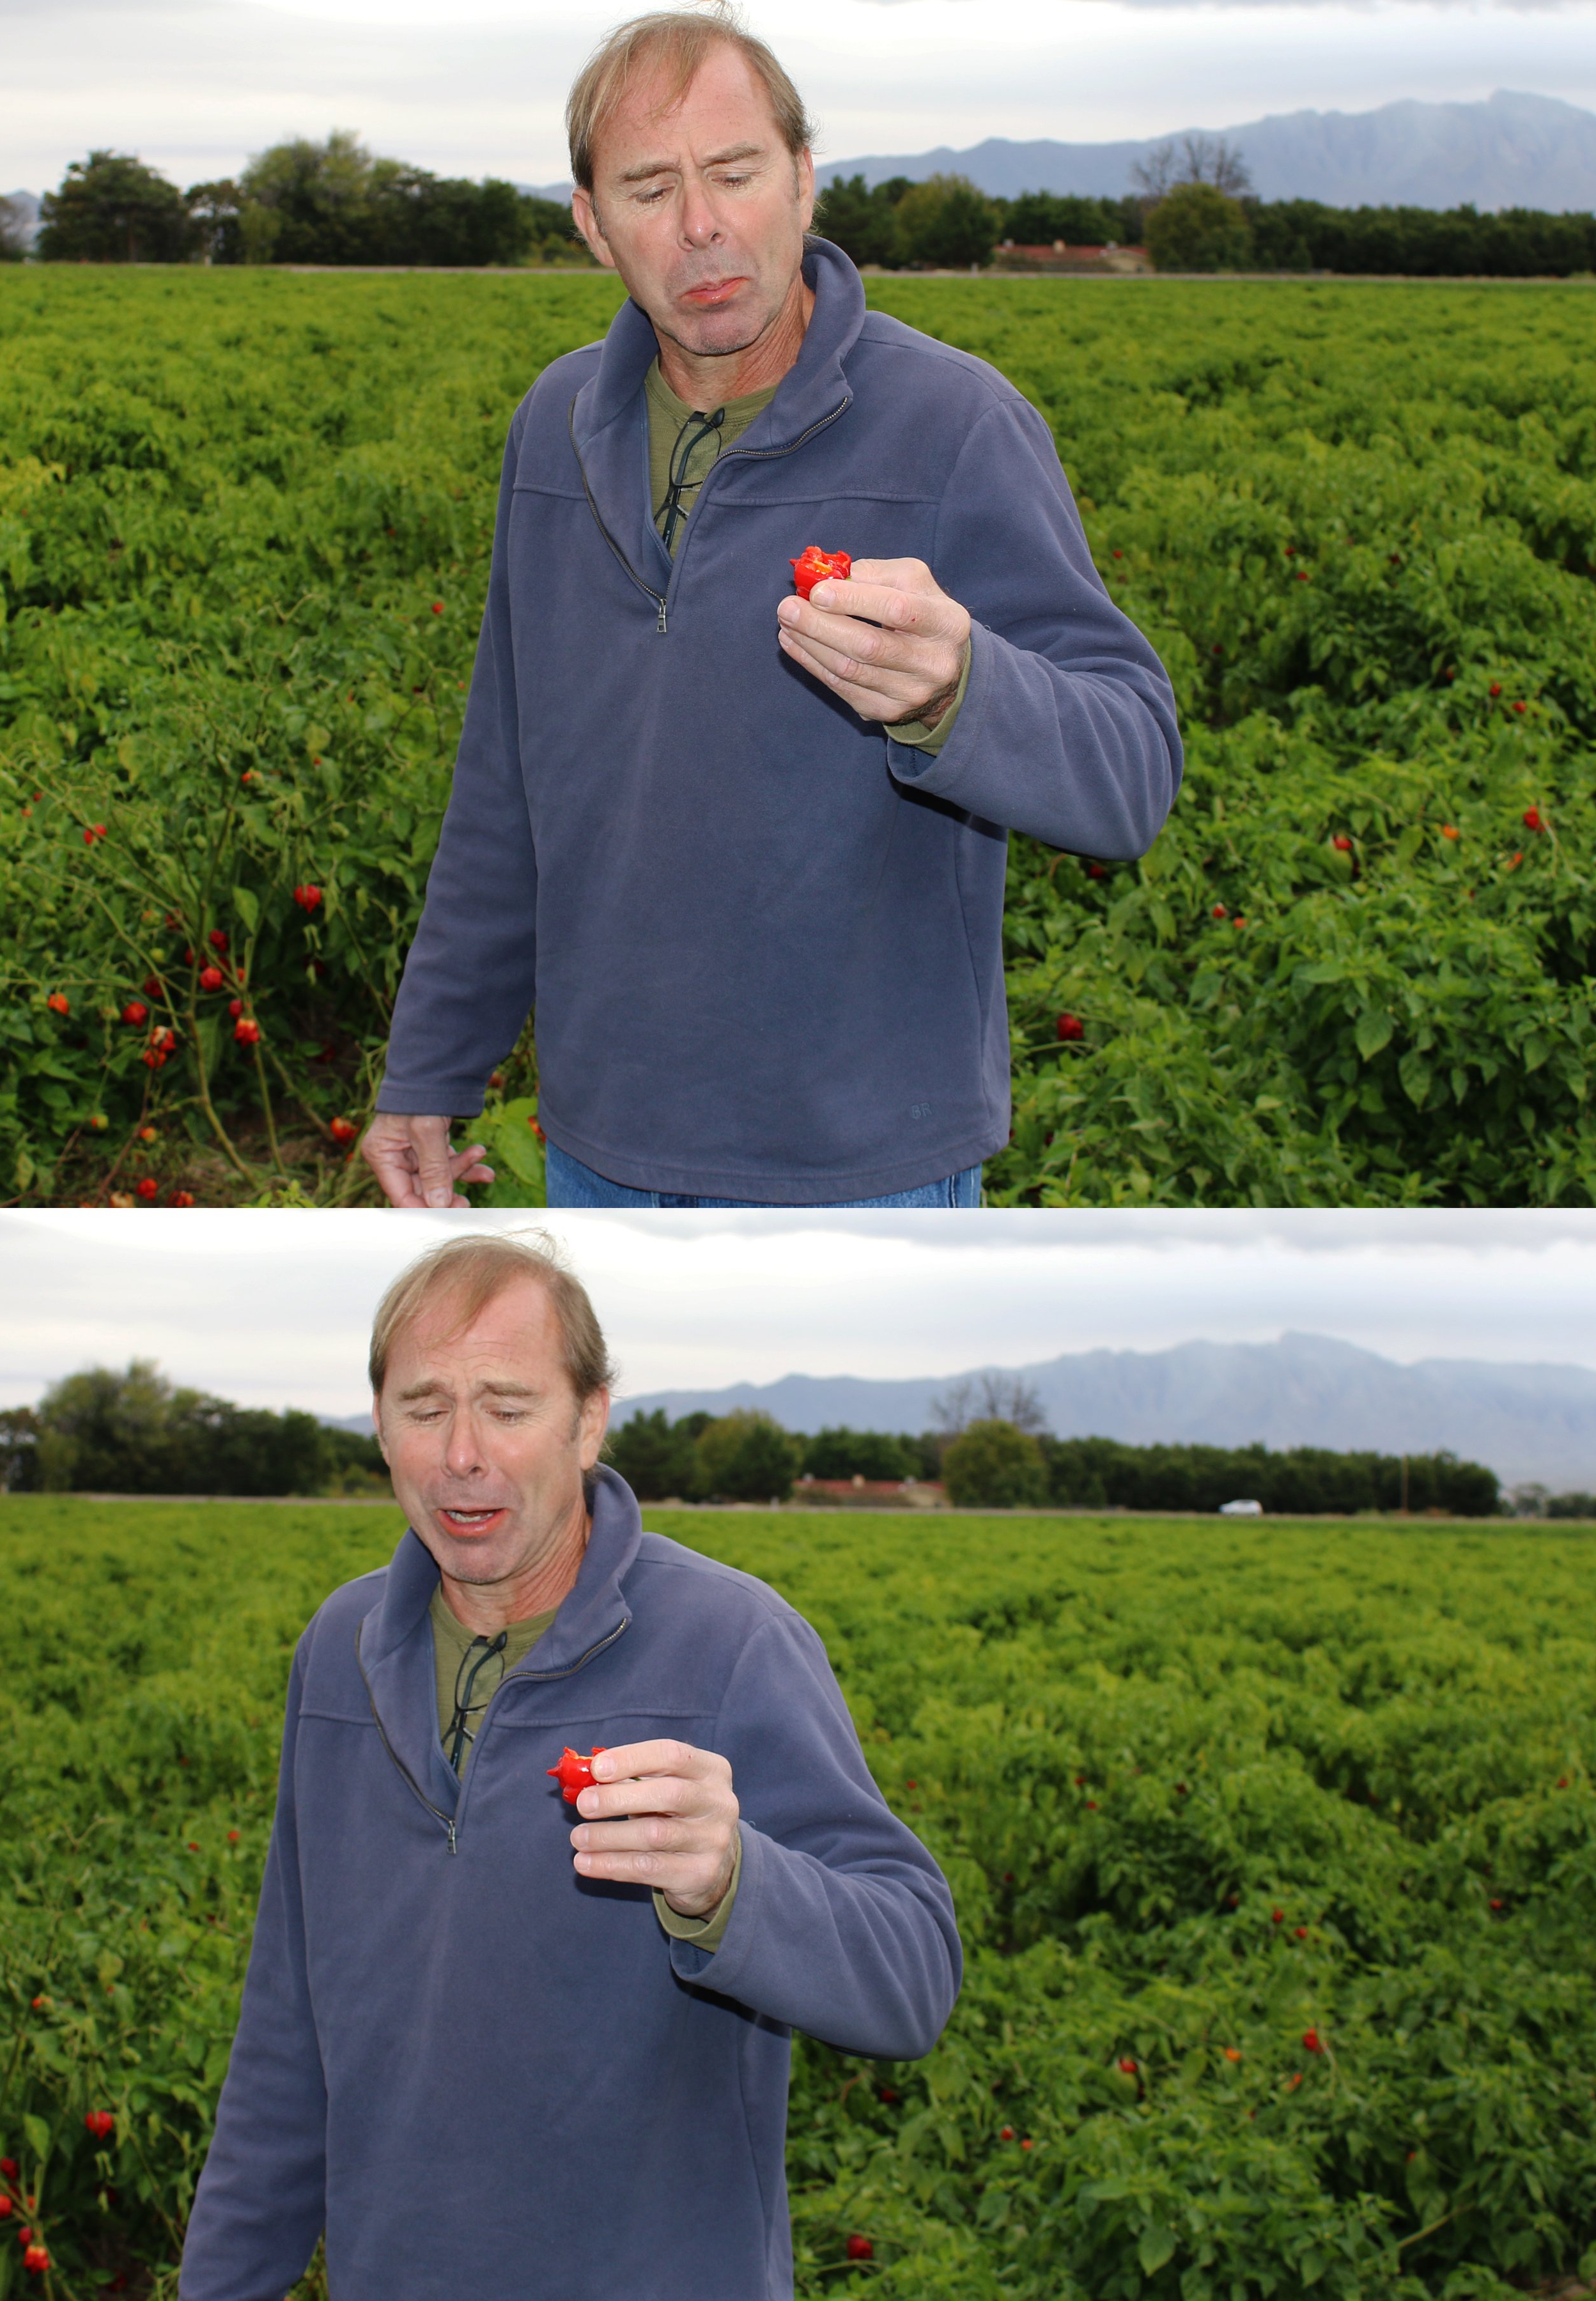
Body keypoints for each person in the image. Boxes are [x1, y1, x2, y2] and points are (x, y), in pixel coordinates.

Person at [361, 5, 1181, 1212]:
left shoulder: (955, 427)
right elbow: (506, 779)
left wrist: (963, 693)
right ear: (592, 225)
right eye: (648, 188)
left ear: (803, 181)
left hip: (860, 1169)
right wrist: (433, 1058)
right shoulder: (555, 428)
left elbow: (1134, 771)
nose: (701, 226)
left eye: (735, 173)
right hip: (600, 1145)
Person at [179, 1232, 961, 2301]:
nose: (462, 1454)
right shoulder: (340, 1651)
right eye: (423, 1408)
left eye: (507, 1407)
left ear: (589, 1421)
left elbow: (913, 1975)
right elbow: (286, 2033)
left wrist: (735, 1885)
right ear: (378, 1426)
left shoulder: (730, 1645)